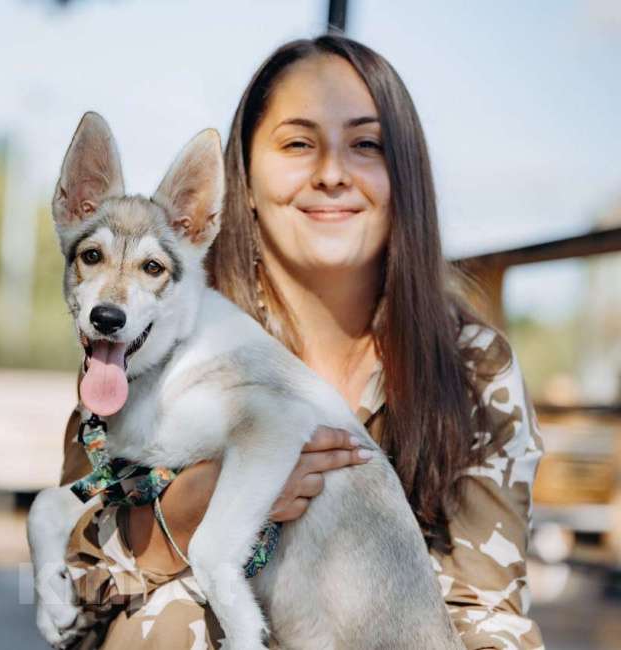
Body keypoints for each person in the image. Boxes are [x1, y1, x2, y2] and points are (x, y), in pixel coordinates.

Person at [55, 34, 544, 649]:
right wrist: (180, 516)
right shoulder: (152, 328)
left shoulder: (472, 366)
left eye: (366, 145)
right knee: (167, 619)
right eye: (298, 143)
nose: (333, 174)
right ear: (243, 180)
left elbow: (486, 608)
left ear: (404, 179)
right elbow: (67, 604)